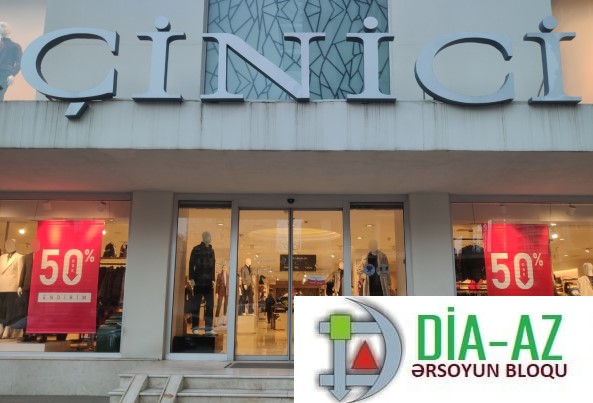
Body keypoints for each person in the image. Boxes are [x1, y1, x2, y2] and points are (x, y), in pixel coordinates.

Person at [188, 231, 216, 336]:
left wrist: (213, 278)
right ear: (204, 237)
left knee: (210, 305)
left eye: (210, 236)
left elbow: (213, 265)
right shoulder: (196, 249)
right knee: (196, 305)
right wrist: (191, 278)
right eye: (208, 236)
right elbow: (191, 264)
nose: (210, 238)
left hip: (208, 282)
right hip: (198, 280)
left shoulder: (212, 250)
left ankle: (208, 328)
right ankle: (195, 327)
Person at [0, 239, 24, 338]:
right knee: (1, 308)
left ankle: (7, 328)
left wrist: (19, 285)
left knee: (10, 309)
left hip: (12, 287)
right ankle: (1, 327)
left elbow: (20, 272)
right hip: (1, 286)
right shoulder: (2, 257)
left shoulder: (20, 257)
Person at [0, 22, 22, 101]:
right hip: (5, 73)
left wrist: (13, 74)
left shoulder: (15, 46)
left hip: (4, 74)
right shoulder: (15, 46)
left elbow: (19, 62)